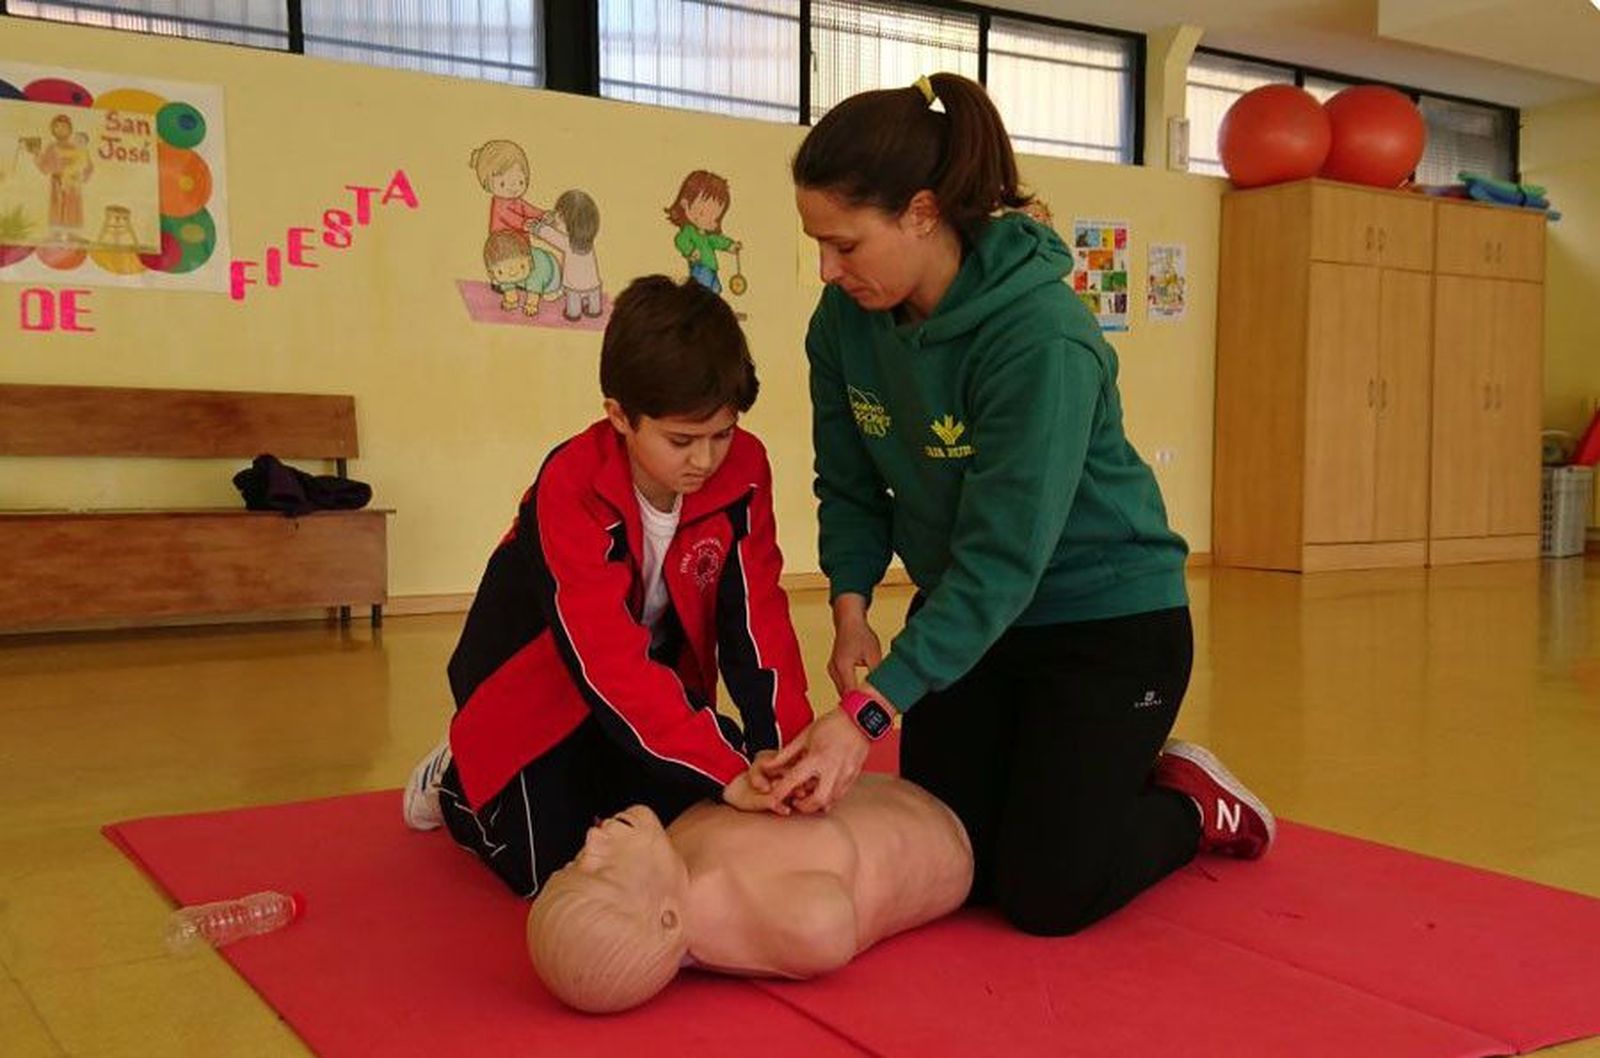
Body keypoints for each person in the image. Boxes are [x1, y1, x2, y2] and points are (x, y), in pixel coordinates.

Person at [768, 71, 1275, 938]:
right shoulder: (842, 323)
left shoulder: (1040, 337)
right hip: (976, 625)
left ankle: (1191, 804)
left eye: (846, 244)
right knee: (957, 859)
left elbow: (1005, 560)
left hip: (1105, 626)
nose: (828, 268)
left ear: (922, 213)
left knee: (1046, 895)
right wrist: (851, 612)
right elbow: (849, 483)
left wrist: (868, 713)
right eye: (818, 243)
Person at [404, 275, 814, 897]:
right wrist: (726, 769)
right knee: (553, 875)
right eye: (681, 440)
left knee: (708, 813)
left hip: (649, 685)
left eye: (722, 434)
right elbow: (605, 660)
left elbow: (757, 619)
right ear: (620, 416)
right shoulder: (568, 485)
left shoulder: (745, 469)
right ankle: (458, 775)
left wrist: (782, 754)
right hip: (537, 691)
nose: (705, 461)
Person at [527, 771, 972, 1013]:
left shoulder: (669, 855)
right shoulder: (777, 916)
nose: (592, 842)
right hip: (944, 843)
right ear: (667, 919)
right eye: (602, 872)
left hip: (888, 786)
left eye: (575, 863)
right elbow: (828, 930)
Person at [532, 189, 605, 321]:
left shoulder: (567, 243)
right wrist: (552, 220)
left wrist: (537, 228)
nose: (557, 218)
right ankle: (595, 310)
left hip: (574, 286)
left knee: (574, 301)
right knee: (593, 297)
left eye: (560, 216)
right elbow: (560, 228)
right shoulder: (588, 240)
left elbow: (550, 235)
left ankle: (574, 314)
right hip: (593, 284)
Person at [664, 170, 740, 295]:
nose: (710, 220)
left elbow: (716, 241)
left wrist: (730, 245)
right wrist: (690, 251)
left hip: (711, 268)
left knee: (715, 289)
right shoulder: (689, 231)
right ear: (685, 205)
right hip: (700, 267)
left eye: (715, 217)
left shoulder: (706, 236)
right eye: (703, 213)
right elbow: (681, 240)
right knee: (703, 290)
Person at [469, 139, 545, 235]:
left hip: (521, 245)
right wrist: (524, 224)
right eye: (503, 184)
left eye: (520, 182)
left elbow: (529, 210)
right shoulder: (500, 205)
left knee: (542, 251)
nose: (514, 189)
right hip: (503, 245)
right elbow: (509, 217)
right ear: (487, 183)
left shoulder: (517, 202)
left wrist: (542, 215)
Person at [482, 230, 561, 315]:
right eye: (500, 272)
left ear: (530, 263)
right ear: (491, 273)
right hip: (524, 277)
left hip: (551, 274)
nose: (513, 273)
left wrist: (531, 305)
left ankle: (557, 290)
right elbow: (506, 282)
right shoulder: (506, 275)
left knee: (549, 296)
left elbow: (533, 293)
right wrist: (510, 300)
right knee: (509, 280)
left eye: (522, 266)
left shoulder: (537, 271)